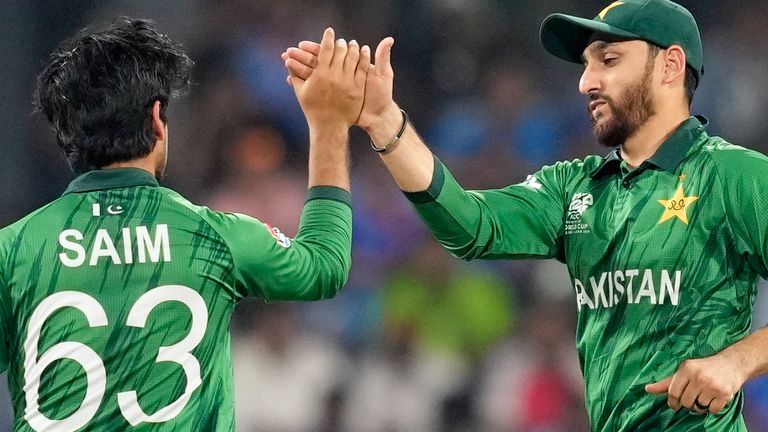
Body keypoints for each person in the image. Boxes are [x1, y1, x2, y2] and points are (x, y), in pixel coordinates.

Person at [283, 0, 768, 430]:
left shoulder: (733, 176)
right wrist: (382, 118)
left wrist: (738, 360)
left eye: (609, 60)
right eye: (585, 65)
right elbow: (468, 226)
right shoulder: (574, 187)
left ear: (670, 65)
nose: (586, 82)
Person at [0, 20, 367, 431]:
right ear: (157, 120)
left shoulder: (12, 249)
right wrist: (330, 125)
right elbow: (325, 265)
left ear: (66, 135)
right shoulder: (213, 234)